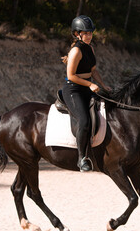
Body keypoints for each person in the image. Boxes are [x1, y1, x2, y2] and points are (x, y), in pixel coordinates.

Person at [61, 15, 110, 172]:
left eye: (90, 33)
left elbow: (93, 71)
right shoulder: (76, 51)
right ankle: (81, 158)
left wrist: (103, 85)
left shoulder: (90, 48)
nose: (89, 36)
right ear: (77, 34)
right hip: (73, 89)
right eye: (86, 33)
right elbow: (71, 76)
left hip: (87, 87)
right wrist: (90, 84)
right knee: (84, 120)